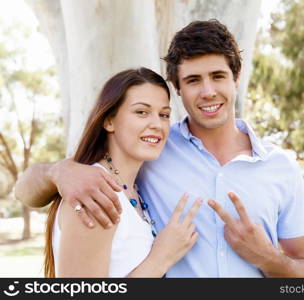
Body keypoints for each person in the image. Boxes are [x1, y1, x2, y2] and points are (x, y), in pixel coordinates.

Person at [16, 20, 304, 277]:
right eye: (193, 80)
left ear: (237, 78)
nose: (208, 91)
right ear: (178, 88)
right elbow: (25, 192)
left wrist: (267, 258)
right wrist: (59, 171)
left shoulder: (280, 166)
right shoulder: (150, 153)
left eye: (218, 76)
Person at [42, 68, 201, 277]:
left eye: (164, 115)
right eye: (141, 112)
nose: (157, 124)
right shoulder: (94, 194)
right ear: (109, 121)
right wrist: (160, 259)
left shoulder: (133, 189)